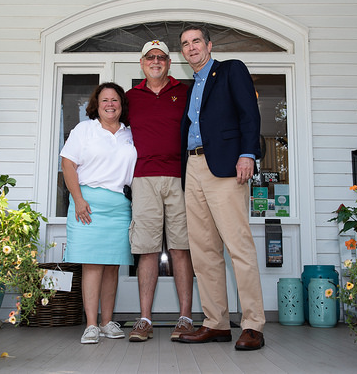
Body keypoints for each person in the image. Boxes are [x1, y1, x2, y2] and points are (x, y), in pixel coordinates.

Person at [176, 24, 266, 351]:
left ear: (209, 45)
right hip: (194, 167)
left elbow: (249, 114)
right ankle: (216, 323)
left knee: (238, 246)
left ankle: (253, 323)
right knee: (203, 251)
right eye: (185, 44)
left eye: (196, 41)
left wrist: (247, 153)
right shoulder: (192, 86)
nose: (191, 47)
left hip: (226, 167)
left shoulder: (230, 71)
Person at [126, 40, 195, 342]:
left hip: (181, 178)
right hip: (143, 179)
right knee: (147, 249)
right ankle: (144, 320)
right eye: (150, 57)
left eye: (161, 58)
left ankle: (185, 317)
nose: (156, 62)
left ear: (169, 63)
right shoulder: (129, 98)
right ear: (142, 63)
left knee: (181, 247)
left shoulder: (185, 93)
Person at [60, 82, 137, 344]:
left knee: (113, 265)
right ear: (97, 104)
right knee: (92, 264)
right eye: (105, 100)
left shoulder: (129, 134)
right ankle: (91, 324)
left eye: (115, 100)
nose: (110, 104)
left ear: (121, 104)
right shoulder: (85, 129)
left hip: (119, 206)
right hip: (88, 204)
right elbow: (67, 164)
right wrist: (78, 199)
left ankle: (107, 322)